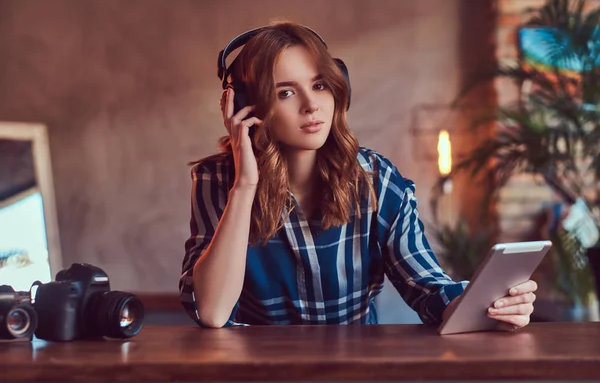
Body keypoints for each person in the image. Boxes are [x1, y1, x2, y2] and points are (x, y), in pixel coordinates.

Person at [179, 21, 537, 329]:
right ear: (246, 107)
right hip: (257, 373)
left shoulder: (376, 179)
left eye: (319, 85)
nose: (311, 104)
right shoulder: (218, 181)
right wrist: (246, 185)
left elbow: (428, 287)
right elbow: (211, 311)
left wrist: (491, 307)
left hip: (354, 369)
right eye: (286, 92)